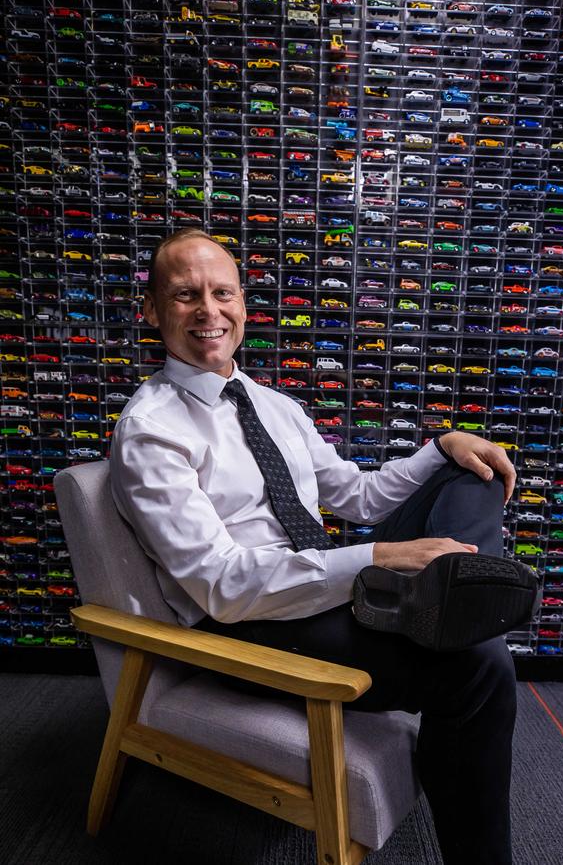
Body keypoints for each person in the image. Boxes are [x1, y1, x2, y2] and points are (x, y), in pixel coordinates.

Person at [111, 228, 520, 865]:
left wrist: (439, 445)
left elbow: (357, 497)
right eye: (185, 296)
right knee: (481, 669)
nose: (208, 312)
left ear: (243, 303)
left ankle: (459, 597)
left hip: (317, 582)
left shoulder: (274, 405)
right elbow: (222, 584)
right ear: (152, 311)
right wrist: (379, 559)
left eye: (222, 293)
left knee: (465, 467)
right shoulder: (150, 431)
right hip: (247, 622)